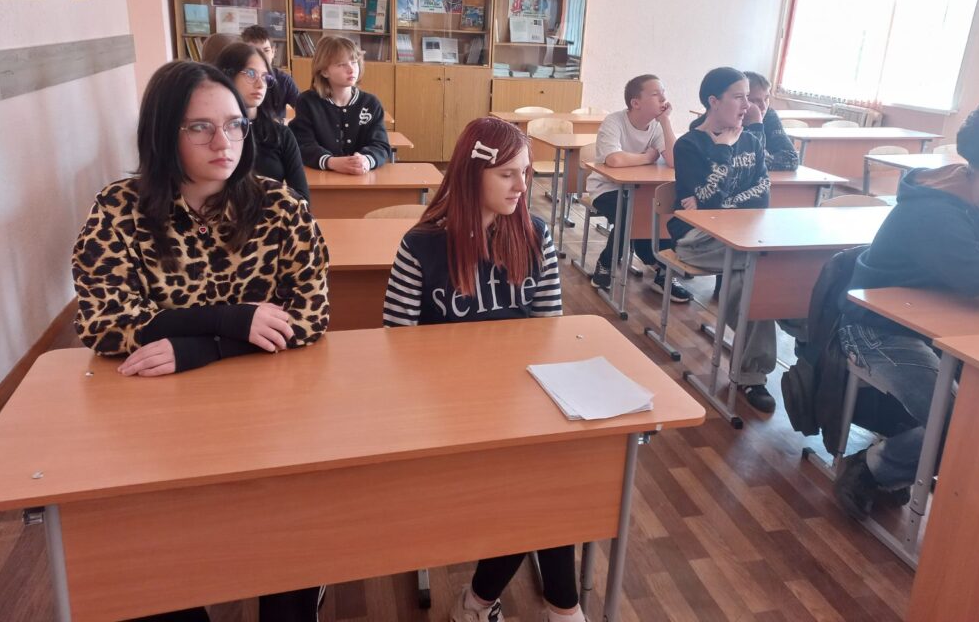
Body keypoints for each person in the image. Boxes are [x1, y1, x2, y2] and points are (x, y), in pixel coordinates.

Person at [72, 59, 329, 621]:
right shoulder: (119, 210)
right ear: (164, 132)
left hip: (267, 419)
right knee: (150, 577)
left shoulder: (281, 207)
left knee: (292, 552)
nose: (224, 141)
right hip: (158, 428)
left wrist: (204, 347)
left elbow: (310, 314)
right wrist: (235, 320)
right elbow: (104, 320)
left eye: (235, 124)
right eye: (200, 127)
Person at [382, 118, 580, 622]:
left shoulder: (534, 234)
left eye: (525, 173)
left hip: (518, 402)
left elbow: (548, 329)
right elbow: (395, 347)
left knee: (548, 481)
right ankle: (543, 609)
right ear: (473, 176)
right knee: (539, 490)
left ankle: (490, 605)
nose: (522, 187)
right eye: (507, 174)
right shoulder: (421, 246)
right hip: (445, 413)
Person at [833, 96, 979, 519]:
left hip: (947, 327)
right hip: (878, 329)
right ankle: (873, 467)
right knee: (959, 422)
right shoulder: (936, 214)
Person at [668, 67, 776, 412]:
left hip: (741, 237)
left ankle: (752, 371)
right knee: (761, 264)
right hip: (697, 240)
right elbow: (706, 204)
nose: (748, 105)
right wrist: (723, 151)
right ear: (713, 101)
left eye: (749, 97)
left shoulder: (753, 140)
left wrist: (722, 204)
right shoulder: (690, 145)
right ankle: (752, 374)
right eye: (739, 97)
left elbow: (763, 193)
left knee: (754, 272)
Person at [586, 74, 692, 302]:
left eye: (663, 93)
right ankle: (607, 262)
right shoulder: (614, 121)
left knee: (662, 211)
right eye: (655, 94)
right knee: (631, 212)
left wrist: (665, 122)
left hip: (642, 191)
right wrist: (647, 157)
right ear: (636, 103)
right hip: (606, 188)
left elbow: (674, 160)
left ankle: (662, 269)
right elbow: (614, 160)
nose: (663, 98)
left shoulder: (657, 126)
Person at [214, 42, 310, 201]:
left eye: (265, 77)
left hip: (271, 215)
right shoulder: (214, 133)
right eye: (251, 74)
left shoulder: (281, 134)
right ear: (228, 75)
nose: (260, 85)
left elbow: (302, 199)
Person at [290, 36, 391, 174]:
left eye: (354, 62)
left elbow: (381, 145)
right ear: (324, 71)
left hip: (362, 176)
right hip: (321, 176)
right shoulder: (307, 102)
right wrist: (331, 162)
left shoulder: (371, 103)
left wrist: (366, 160)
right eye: (342, 64)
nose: (351, 69)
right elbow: (303, 144)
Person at [689, 71, 798, 171]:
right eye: (754, 100)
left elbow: (791, 159)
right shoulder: (710, 125)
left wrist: (757, 123)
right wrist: (756, 126)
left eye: (766, 99)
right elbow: (723, 166)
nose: (763, 107)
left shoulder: (769, 116)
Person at [241, 24, 300, 113]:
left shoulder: (283, 80)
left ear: (273, 52)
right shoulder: (239, 80)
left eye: (266, 50)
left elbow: (303, 110)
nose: (262, 56)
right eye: (254, 51)